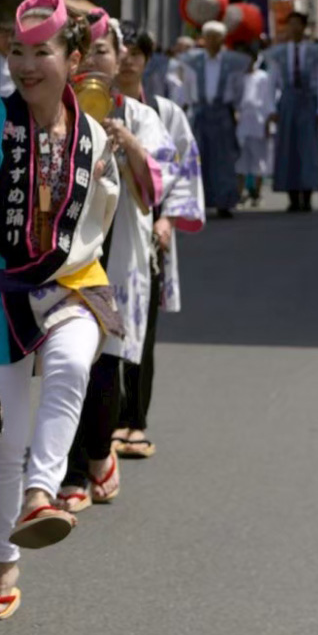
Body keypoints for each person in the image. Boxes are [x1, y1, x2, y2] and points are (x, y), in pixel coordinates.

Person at [0, 0, 121, 619]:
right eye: (18, 51)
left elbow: (106, 211)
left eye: (42, 51)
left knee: (69, 364)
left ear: (72, 54)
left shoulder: (95, 131)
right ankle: (5, 563)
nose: (27, 65)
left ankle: (43, 490)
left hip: (75, 284)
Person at [58, 15, 174, 510]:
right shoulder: (55, 111)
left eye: (109, 50)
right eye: (92, 50)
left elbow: (157, 187)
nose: (106, 60)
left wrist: (124, 141)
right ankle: (74, 468)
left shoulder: (142, 116)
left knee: (104, 361)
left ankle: (94, 457)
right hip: (66, 256)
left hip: (117, 252)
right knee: (64, 363)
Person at [115, 28, 205, 458]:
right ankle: (103, 422)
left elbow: (183, 171)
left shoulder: (165, 113)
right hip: (103, 232)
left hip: (147, 231)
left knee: (142, 330)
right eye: (122, 52)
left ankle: (134, 420)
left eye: (137, 54)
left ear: (148, 60)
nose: (128, 61)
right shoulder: (95, 105)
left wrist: (166, 218)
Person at [263, 12, 318, 212]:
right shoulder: (279, 53)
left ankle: (307, 193)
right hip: (287, 102)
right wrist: (271, 108)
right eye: (290, 24)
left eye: (297, 24)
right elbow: (271, 82)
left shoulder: (315, 52)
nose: (294, 28)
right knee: (288, 147)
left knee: (308, 148)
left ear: (304, 27)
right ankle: (292, 196)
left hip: (308, 102)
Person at [182, 21, 248, 218]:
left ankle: (224, 201)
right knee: (199, 157)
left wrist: (234, 108)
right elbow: (187, 87)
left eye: (215, 36)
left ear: (222, 39)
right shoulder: (193, 62)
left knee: (224, 158)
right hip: (201, 111)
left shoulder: (231, 62)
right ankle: (199, 201)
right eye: (208, 36)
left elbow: (239, 89)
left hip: (222, 112)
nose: (211, 41)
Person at [235, 48, 276, 206]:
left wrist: (268, 122)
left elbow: (267, 100)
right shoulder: (238, 77)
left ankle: (256, 193)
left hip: (259, 121)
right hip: (242, 122)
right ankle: (239, 192)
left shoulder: (262, 77)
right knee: (240, 160)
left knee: (259, 159)